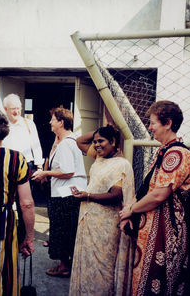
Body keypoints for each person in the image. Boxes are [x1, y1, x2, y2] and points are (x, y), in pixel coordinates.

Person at [120, 100, 190, 295]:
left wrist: (131, 210)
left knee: (157, 284)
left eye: (152, 123)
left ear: (168, 123)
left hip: (165, 237)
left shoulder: (177, 154)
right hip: (151, 232)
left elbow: (159, 195)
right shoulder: (164, 151)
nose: (149, 128)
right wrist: (130, 213)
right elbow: (147, 189)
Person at [69, 125, 136, 296]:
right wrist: (102, 131)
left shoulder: (121, 164)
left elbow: (115, 195)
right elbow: (79, 141)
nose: (97, 145)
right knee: (89, 263)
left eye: (102, 141)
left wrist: (88, 195)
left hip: (106, 225)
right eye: (95, 142)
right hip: (90, 220)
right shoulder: (100, 158)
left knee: (102, 266)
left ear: (113, 142)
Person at [32, 107, 87, 277]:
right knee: (66, 230)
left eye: (53, 120)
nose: (50, 122)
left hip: (65, 195)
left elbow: (68, 171)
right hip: (67, 193)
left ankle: (64, 267)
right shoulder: (65, 142)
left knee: (62, 230)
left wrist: (45, 173)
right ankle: (67, 265)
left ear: (61, 122)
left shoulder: (66, 144)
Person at [0, 108, 35, 296]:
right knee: (4, 270)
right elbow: (26, 204)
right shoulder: (16, 159)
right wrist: (29, 238)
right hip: (3, 222)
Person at [2, 93, 43, 242]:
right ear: (6, 109)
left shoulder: (28, 124)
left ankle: (23, 238)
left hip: (25, 166)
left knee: (24, 203)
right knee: (5, 201)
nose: (16, 112)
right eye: (13, 109)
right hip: (6, 165)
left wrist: (39, 166)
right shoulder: (2, 125)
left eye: (18, 108)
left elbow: (36, 146)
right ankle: (5, 234)